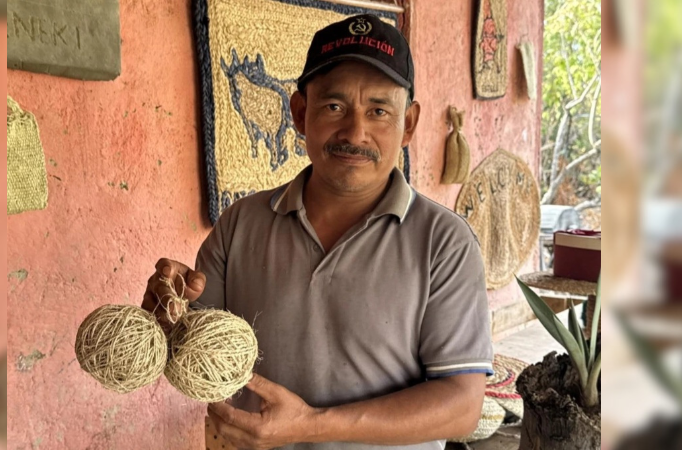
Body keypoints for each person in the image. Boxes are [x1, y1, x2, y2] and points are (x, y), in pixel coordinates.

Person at [142, 14, 493, 450]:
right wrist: (165, 315)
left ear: (408, 124)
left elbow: (462, 406)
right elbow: (194, 352)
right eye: (334, 107)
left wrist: (311, 424)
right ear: (299, 113)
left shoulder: (445, 243)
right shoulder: (240, 225)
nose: (355, 132)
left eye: (379, 111)